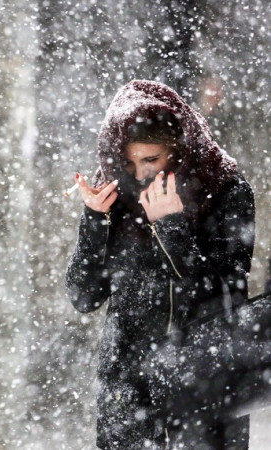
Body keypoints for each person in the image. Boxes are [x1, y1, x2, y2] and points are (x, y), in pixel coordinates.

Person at [66, 80, 255, 449]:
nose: (139, 175)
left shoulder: (227, 190)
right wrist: (94, 221)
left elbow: (225, 291)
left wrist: (171, 227)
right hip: (127, 388)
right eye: (129, 162)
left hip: (207, 377)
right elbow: (83, 297)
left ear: (180, 151)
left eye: (151, 160)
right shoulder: (116, 198)